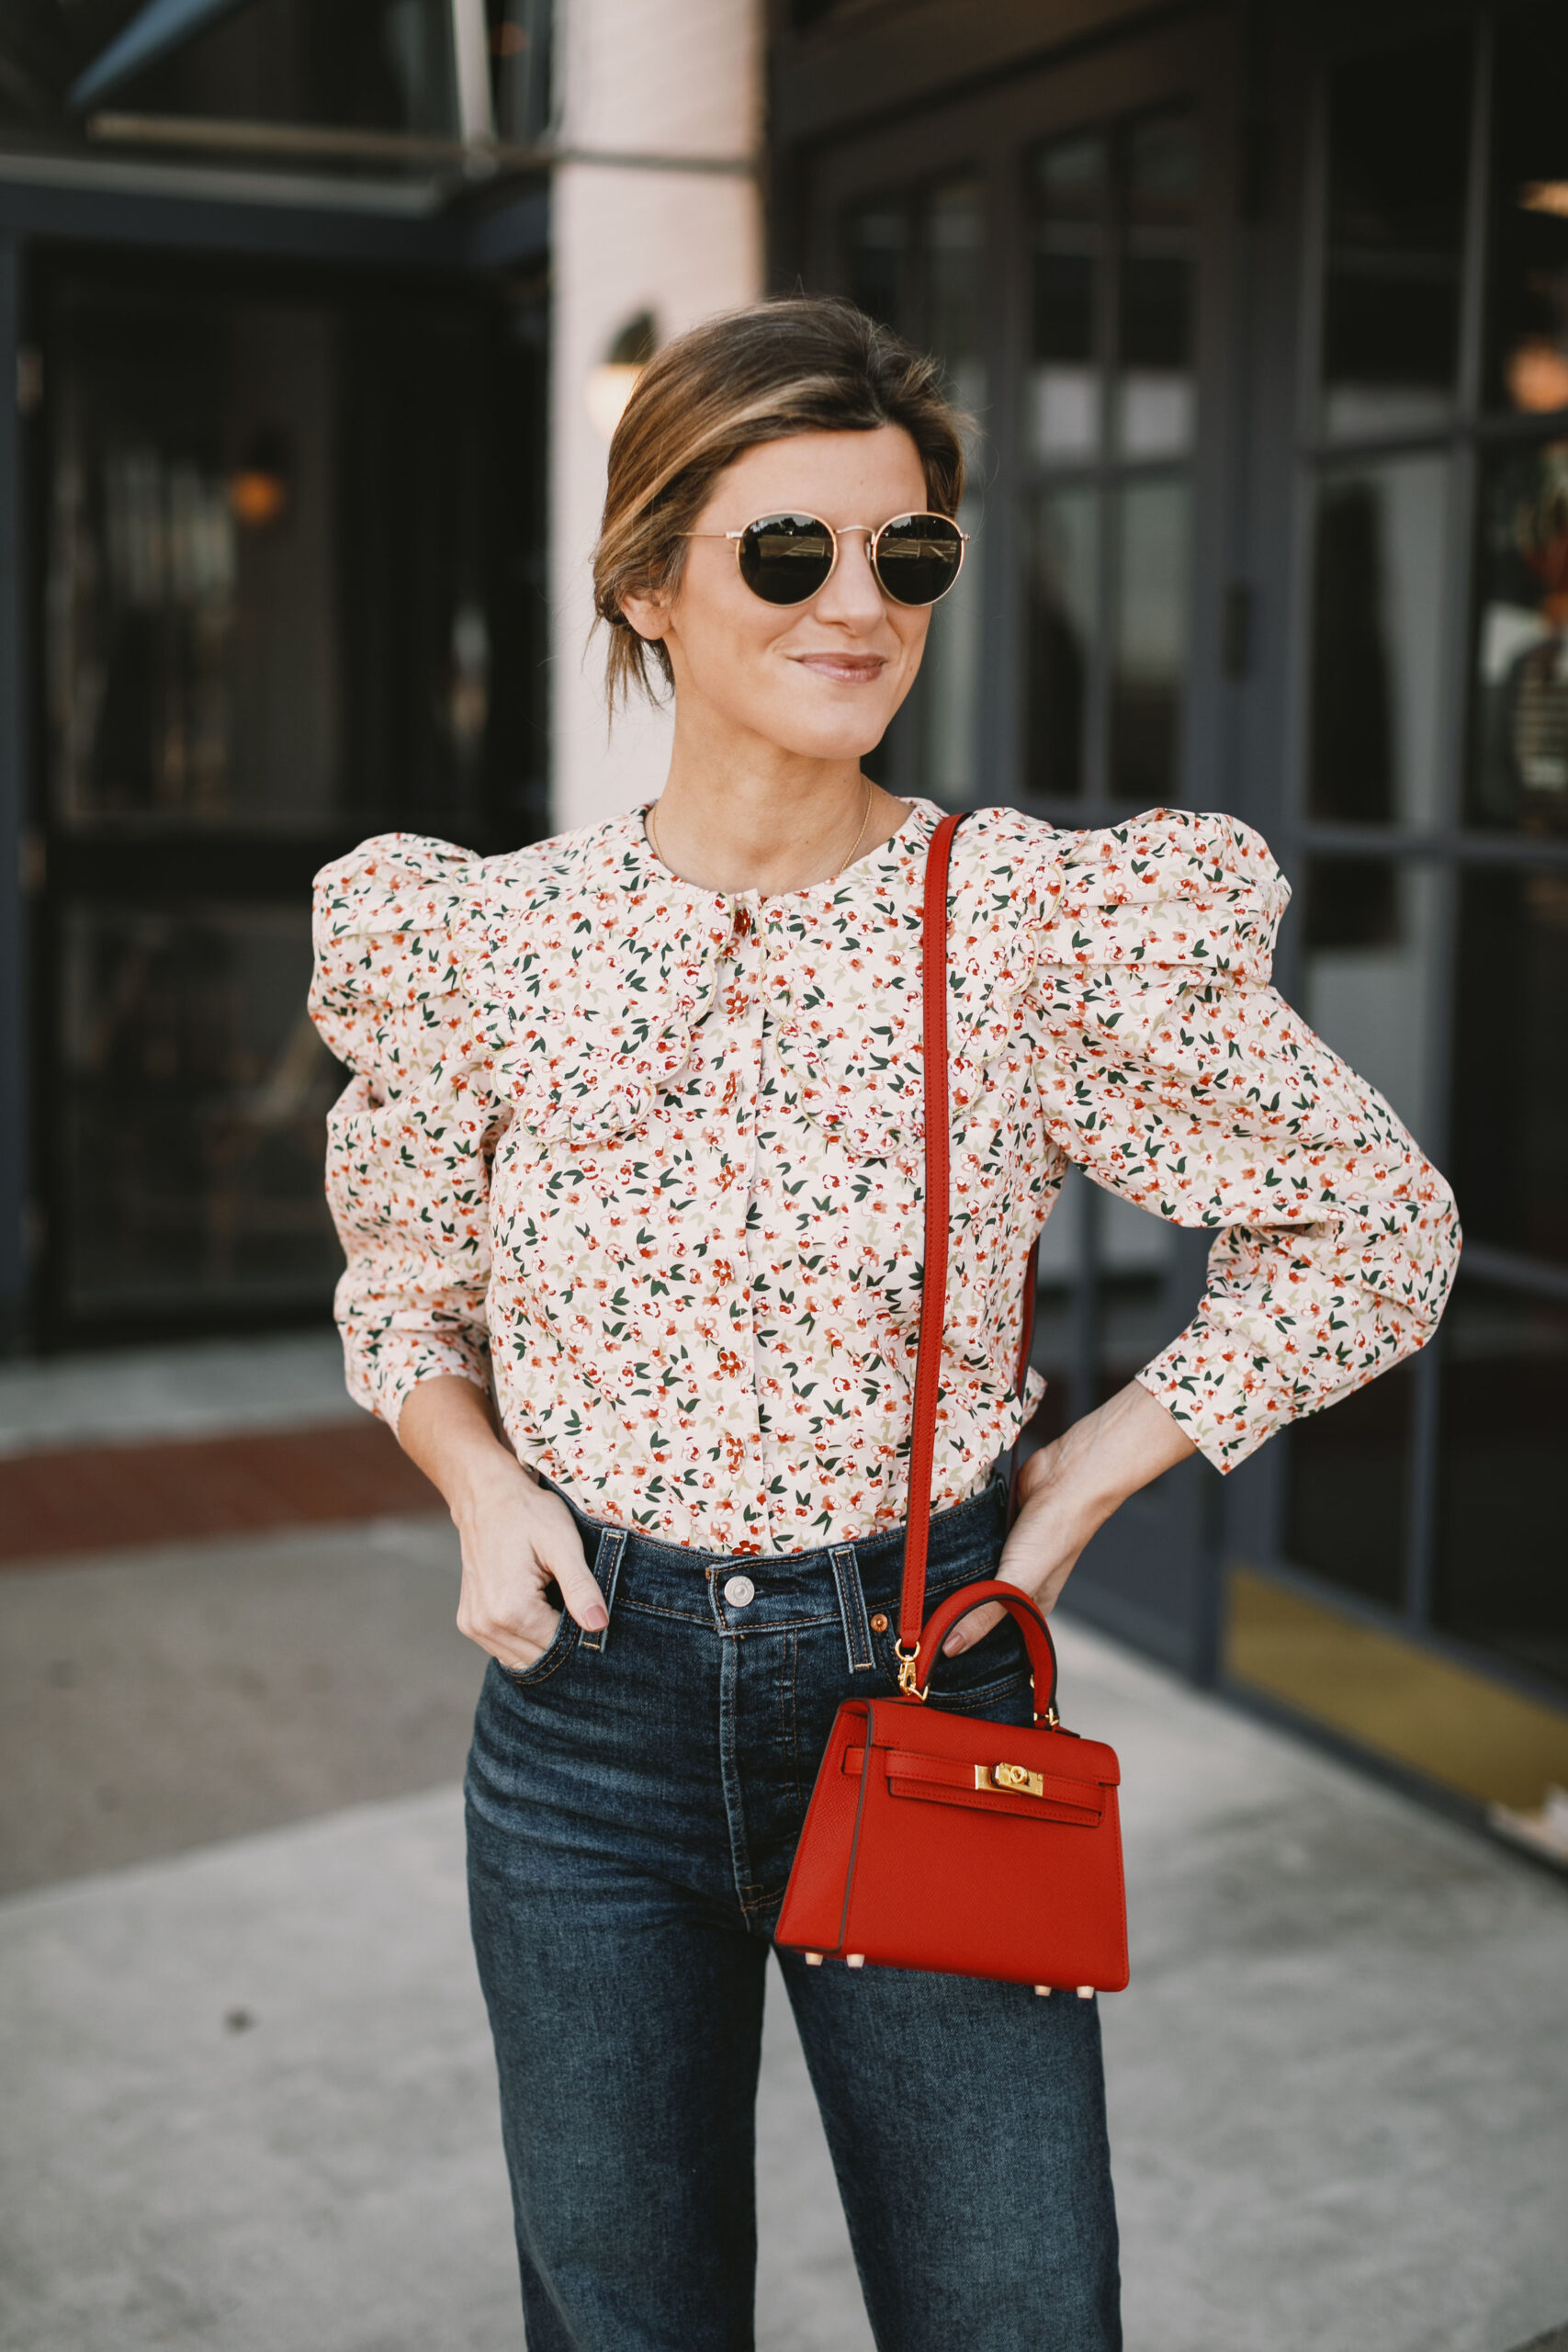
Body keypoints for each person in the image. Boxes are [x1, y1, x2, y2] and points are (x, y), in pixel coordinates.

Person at [309, 298, 1460, 2352]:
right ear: (649, 574)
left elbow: (1369, 1226)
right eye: (788, 551)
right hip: (584, 1719)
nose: (859, 603)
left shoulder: (1021, 923)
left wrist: (1099, 1461)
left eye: (904, 553)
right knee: (619, 2317)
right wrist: (477, 1482)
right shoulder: (491, 940)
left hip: (918, 1673)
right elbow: (401, 1282)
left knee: (1013, 2311)